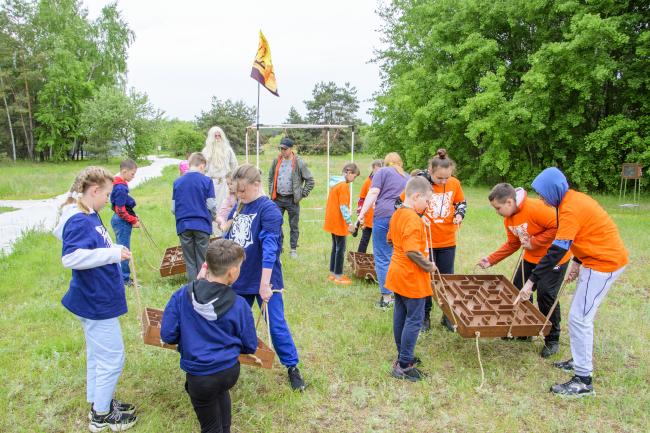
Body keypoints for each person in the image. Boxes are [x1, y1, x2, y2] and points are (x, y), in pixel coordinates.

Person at [519, 167, 628, 397]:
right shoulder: (569, 201)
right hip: (591, 259)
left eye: (543, 193)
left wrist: (531, 281)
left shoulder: (569, 209)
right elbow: (586, 232)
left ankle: (583, 380)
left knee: (580, 319)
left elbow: (556, 251)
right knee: (581, 317)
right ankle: (579, 360)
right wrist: (577, 261)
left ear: (554, 190)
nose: (540, 198)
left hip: (603, 264)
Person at [52, 166, 138, 432]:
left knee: (99, 356)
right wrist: (110, 256)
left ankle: (100, 402)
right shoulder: (79, 219)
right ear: (94, 191)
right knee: (113, 358)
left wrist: (115, 249)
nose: (110, 200)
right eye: (108, 194)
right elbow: (71, 258)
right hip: (94, 301)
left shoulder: (91, 214)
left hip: (99, 297)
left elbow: (97, 247)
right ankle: (101, 416)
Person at [161, 239, 257, 433]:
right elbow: (250, 346)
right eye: (239, 266)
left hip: (199, 377)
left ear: (207, 265)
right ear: (232, 272)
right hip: (228, 372)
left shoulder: (181, 296)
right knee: (220, 394)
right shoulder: (239, 305)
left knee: (210, 426)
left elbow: (168, 335)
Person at [225, 164, 307, 391]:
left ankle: (292, 367)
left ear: (256, 185)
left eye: (242, 190)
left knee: (277, 324)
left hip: (265, 278)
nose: (239, 195)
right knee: (232, 322)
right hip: (240, 278)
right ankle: (228, 364)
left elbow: (271, 250)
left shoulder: (268, 210)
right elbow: (230, 237)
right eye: (236, 191)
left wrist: (264, 285)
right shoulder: (241, 205)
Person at [477, 183, 570, 357]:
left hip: (553, 259)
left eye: (498, 208)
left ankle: (552, 339)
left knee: (545, 295)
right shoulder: (509, 218)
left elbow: (560, 227)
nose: (497, 212)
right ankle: (523, 332)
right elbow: (513, 244)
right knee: (518, 290)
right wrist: (491, 259)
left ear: (510, 202)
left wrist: (535, 242)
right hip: (531, 258)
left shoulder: (536, 208)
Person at [386, 176, 435, 381]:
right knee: (414, 319)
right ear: (416, 196)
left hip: (397, 273)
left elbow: (390, 240)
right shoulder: (413, 219)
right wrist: (428, 265)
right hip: (411, 276)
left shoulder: (399, 213)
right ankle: (404, 364)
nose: (428, 205)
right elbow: (412, 251)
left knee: (401, 314)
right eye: (427, 201)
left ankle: (402, 354)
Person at [420, 149, 466, 331]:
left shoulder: (454, 184)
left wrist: (460, 215)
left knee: (446, 279)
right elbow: (401, 204)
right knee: (427, 279)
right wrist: (418, 216)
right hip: (426, 241)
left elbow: (461, 202)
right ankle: (424, 316)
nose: (444, 181)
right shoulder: (421, 184)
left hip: (447, 240)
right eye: (440, 178)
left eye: (447, 178)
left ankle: (448, 315)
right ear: (430, 171)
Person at [357, 153, 408, 309]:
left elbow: (373, 193)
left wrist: (361, 215)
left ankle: (387, 297)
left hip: (384, 217)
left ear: (386, 163)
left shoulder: (382, 172)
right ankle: (400, 293)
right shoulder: (406, 177)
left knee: (382, 256)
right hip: (402, 217)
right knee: (398, 255)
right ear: (400, 163)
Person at [172, 152, 217, 282]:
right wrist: (213, 217)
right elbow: (211, 205)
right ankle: (202, 288)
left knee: (189, 261)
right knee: (203, 260)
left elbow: (173, 209)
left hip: (183, 226)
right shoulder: (207, 181)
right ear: (202, 166)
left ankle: (192, 289)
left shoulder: (177, 182)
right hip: (202, 224)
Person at [268, 137, 315, 258]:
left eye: (284, 149)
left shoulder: (299, 162)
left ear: (291, 149)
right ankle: (279, 246)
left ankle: (293, 249)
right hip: (277, 199)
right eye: (281, 149)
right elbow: (270, 177)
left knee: (293, 226)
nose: (282, 151)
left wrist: (301, 194)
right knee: (276, 223)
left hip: (292, 200)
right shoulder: (276, 161)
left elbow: (310, 180)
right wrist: (271, 190)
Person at [323, 162, 361, 284]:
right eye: (354, 176)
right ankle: (338, 276)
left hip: (332, 220)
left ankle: (333, 274)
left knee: (335, 247)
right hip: (338, 222)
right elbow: (343, 207)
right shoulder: (343, 186)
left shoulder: (335, 184)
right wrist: (350, 223)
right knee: (341, 248)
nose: (354, 179)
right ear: (349, 172)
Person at [110, 159, 140, 285]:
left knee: (121, 248)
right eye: (132, 174)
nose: (133, 177)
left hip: (119, 220)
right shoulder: (121, 188)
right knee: (124, 250)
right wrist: (133, 220)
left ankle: (122, 276)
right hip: (121, 222)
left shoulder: (119, 185)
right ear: (124, 171)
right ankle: (125, 279)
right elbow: (120, 210)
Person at [202, 126, 238, 217]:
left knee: (224, 206)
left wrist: (232, 181)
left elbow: (234, 165)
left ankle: (224, 228)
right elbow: (202, 169)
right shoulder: (206, 151)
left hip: (224, 183)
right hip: (210, 182)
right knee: (210, 206)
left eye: (219, 135)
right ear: (211, 137)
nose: (217, 138)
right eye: (215, 136)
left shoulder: (228, 150)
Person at [356, 160, 383, 253]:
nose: (378, 173)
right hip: (368, 218)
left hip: (379, 217)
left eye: (380, 170)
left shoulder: (384, 182)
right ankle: (360, 258)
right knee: (364, 240)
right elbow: (361, 199)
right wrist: (360, 215)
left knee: (379, 242)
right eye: (376, 170)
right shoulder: (367, 182)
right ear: (373, 169)